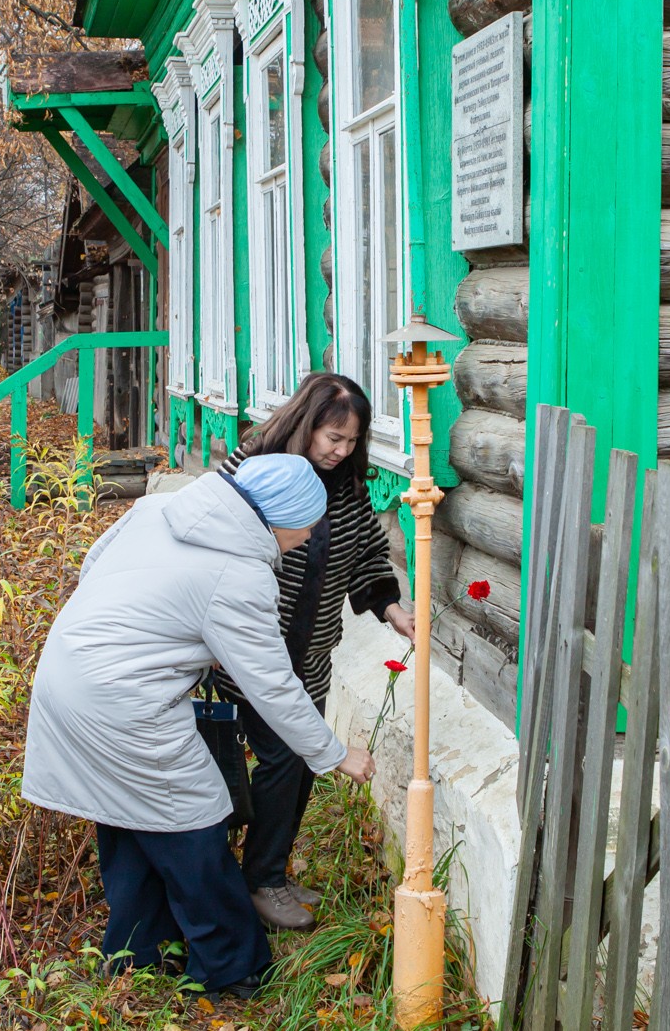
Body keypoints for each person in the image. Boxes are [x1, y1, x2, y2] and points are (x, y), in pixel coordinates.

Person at [22, 453, 376, 997]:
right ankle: (232, 969)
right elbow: (274, 686)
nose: (306, 539)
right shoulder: (239, 574)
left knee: (127, 817)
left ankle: (138, 955)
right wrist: (333, 753)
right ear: (279, 519)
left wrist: (166, 629)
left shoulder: (156, 509)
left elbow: (93, 566)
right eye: (307, 526)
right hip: (125, 703)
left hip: (67, 673)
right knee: (196, 825)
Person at [215, 372, 414, 932]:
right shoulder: (253, 464)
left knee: (301, 763)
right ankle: (260, 882)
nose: (341, 450)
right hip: (250, 652)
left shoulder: (347, 480)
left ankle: (270, 870)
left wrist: (391, 608)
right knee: (281, 758)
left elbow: (368, 547)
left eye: (352, 441)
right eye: (332, 437)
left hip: (312, 651)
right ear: (306, 423)